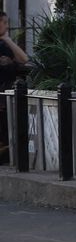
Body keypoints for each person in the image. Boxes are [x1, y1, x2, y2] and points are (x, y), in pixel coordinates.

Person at [0, 13, 27, 165]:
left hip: (7, 96)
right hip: (2, 96)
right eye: (3, 22)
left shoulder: (4, 44)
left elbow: (24, 59)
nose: (7, 26)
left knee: (7, 134)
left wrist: (8, 40)